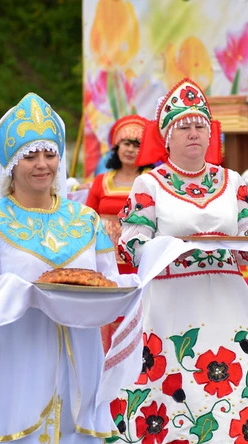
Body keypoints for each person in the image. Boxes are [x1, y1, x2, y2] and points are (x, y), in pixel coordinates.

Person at [0, 92, 141, 444]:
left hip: (82, 360)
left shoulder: (85, 219)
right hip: (16, 360)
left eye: (50, 154)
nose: (42, 164)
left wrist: (139, 282)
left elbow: (108, 283)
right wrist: (20, 291)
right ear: (12, 164)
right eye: (30, 155)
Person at [113, 79, 248, 444]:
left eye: (200, 125)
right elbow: (131, 246)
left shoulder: (232, 182)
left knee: (240, 390)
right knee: (172, 390)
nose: (193, 133)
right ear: (167, 138)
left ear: (210, 133)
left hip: (228, 301)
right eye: (183, 127)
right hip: (170, 301)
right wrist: (175, 247)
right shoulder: (148, 184)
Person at [86, 115, 150, 351]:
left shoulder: (151, 181)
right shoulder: (101, 181)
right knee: (106, 316)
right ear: (117, 147)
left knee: (137, 314)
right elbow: (88, 219)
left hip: (138, 262)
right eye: (126, 143)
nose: (131, 149)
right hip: (104, 262)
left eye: (137, 144)